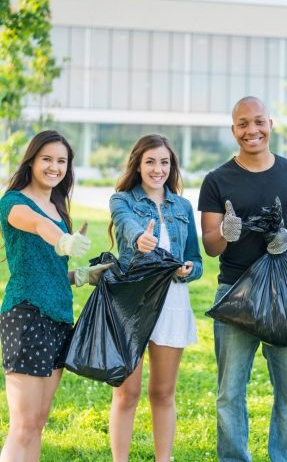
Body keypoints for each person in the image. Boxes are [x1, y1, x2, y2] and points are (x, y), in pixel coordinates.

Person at [198, 96, 287, 462]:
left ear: (271, 123)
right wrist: (225, 232)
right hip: (235, 292)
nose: (252, 130)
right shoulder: (216, 180)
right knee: (230, 392)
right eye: (243, 124)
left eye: (258, 122)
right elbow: (210, 245)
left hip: (284, 294)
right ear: (233, 129)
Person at [0, 130, 108, 461]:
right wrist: (62, 240)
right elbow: (34, 225)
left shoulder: (59, 208)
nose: (54, 167)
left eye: (61, 161)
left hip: (60, 318)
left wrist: (78, 276)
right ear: (32, 161)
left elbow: (48, 268)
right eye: (47, 159)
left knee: (37, 423)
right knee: (23, 425)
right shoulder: (13, 202)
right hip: (27, 314)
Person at [108, 134, 202, 462]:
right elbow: (127, 224)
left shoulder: (183, 206)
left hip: (172, 302)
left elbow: (196, 259)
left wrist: (188, 270)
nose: (157, 169)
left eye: (164, 162)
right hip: (132, 302)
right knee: (126, 392)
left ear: (171, 166)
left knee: (163, 392)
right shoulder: (122, 200)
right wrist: (140, 239)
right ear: (138, 164)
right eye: (150, 161)